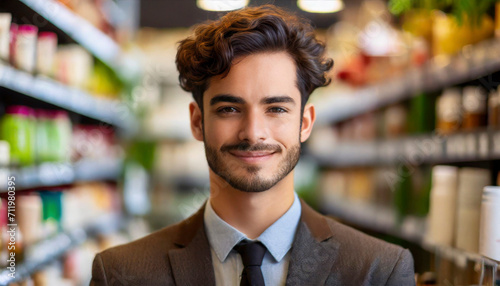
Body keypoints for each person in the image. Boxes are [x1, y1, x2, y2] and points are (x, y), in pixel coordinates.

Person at [90, 4, 415, 286]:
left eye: (276, 109)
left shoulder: (379, 270)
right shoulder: (122, 273)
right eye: (229, 109)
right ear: (197, 122)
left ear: (305, 123)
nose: (253, 132)